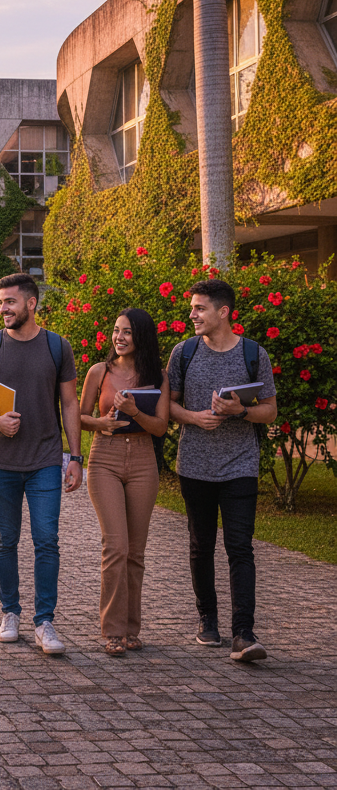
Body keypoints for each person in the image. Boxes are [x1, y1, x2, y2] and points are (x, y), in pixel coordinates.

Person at [0, 273, 82, 655]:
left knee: (47, 540)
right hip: (1, 461)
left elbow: (69, 404)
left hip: (46, 459)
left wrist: (75, 457)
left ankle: (44, 621)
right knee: (5, 540)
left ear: (31, 304)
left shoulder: (57, 346)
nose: (3, 309)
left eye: (10, 302)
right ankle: (9, 613)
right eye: (0, 302)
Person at [168, 278, 277, 662]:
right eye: (193, 308)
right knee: (201, 545)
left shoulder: (252, 353)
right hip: (194, 464)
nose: (193, 314)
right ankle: (207, 620)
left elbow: (270, 410)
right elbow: (169, 406)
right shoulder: (183, 353)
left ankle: (243, 634)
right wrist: (195, 418)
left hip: (240, 466)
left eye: (200, 308)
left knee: (239, 546)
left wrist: (241, 411)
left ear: (223, 312)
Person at [79, 309, 169, 655]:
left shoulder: (157, 376)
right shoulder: (98, 372)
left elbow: (160, 427)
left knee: (135, 551)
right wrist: (101, 423)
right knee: (115, 546)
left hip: (144, 460)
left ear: (141, 337)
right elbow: (79, 415)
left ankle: (133, 629)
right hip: (106, 459)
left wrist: (134, 413)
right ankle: (112, 630)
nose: (119, 337)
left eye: (127, 332)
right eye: (116, 330)